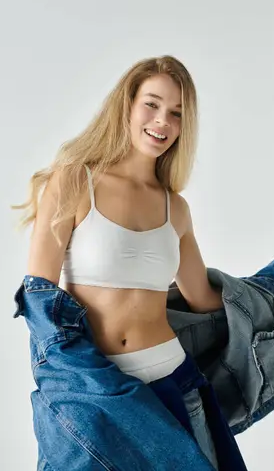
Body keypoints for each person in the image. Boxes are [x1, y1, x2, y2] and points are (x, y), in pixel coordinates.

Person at [12, 55, 248, 470]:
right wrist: (79, 382)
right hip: (96, 392)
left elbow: (203, 300)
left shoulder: (176, 208)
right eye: (152, 104)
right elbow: (40, 297)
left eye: (177, 113)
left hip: (173, 383)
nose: (163, 121)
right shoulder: (74, 180)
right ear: (127, 105)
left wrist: (263, 302)